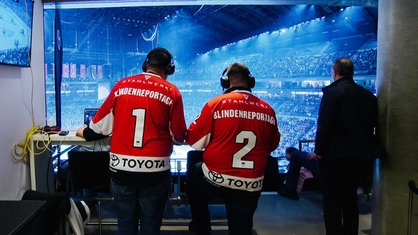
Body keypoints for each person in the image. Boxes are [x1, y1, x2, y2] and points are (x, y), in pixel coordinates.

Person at [76, 47, 187, 235]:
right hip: (155, 172)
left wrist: (83, 131)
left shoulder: (121, 86)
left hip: (122, 171)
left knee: (125, 225)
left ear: (145, 65)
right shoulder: (172, 92)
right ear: (168, 69)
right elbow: (178, 136)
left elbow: (97, 129)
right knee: (150, 227)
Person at [186, 62, 281, 235]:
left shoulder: (215, 104)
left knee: (194, 175)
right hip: (250, 183)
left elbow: (195, 142)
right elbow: (273, 146)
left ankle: (201, 228)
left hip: (216, 179)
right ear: (250, 82)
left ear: (225, 82)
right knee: (241, 227)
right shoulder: (268, 110)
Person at [309, 58, 379, 235]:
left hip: (334, 158)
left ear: (335, 73)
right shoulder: (368, 96)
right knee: (350, 202)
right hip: (359, 158)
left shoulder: (332, 93)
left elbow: (325, 125)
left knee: (331, 202)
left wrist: (319, 151)